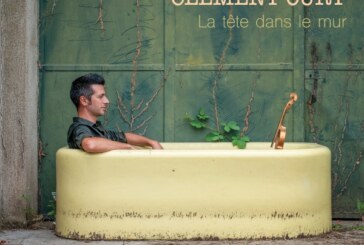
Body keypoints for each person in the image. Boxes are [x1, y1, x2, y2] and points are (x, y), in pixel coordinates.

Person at [67, 73, 163, 153]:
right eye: (101, 97)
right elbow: (90, 144)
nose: (107, 101)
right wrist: (127, 147)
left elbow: (123, 137)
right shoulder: (79, 128)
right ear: (84, 100)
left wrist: (151, 142)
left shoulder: (95, 129)